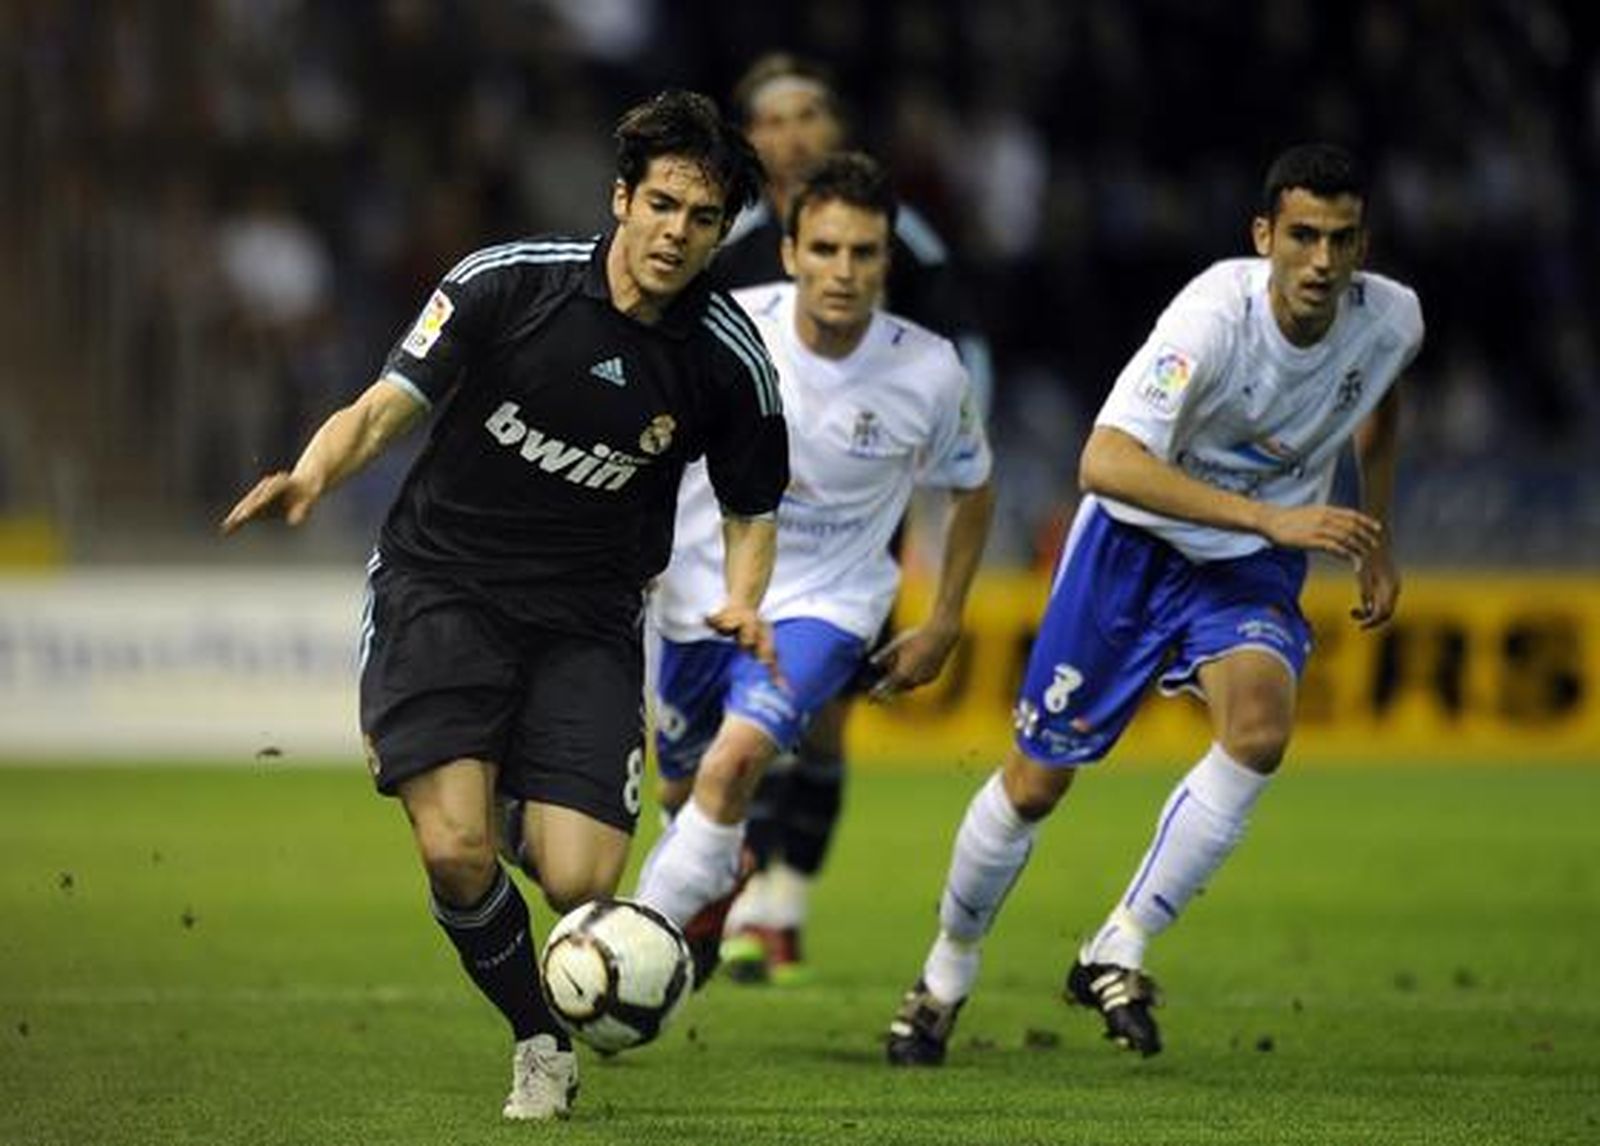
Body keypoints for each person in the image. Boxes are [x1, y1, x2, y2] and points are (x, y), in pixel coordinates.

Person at [220, 90, 786, 1121]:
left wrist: (746, 603)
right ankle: (539, 1037)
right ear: (620, 198)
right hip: (443, 588)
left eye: (702, 221)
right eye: (661, 204)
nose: (675, 233)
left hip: (588, 616)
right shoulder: (506, 283)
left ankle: (517, 795)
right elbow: (385, 405)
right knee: (454, 852)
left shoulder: (727, 360)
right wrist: (309, 476)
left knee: (582, 881)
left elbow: (753, 511)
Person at [884, 142, 1423, 1065]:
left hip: (1246, 565)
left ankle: (1119, 943)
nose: (1322, 262)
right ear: (1265, 237)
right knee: (1036, 782)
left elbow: (1378, 402)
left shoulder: (1392, 319)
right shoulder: (1213, 318)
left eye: (1340, 240)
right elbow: (1105, 461)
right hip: (1131, 548)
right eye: (1302, 236)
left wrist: (1375, 535)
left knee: (1259, 730)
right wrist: (1272, 515)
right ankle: (945, 973)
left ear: (1362, 244)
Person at [633, 152, 995, 984]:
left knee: (734, 765)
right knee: (683, 795)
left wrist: (942, 619)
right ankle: (714, 883)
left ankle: (636, 949)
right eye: (825, 250)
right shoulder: (720, 330)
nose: (843, 271)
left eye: (864, 253)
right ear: (791, 254)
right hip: (700, 592)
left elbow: (972, 487)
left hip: (828, 604)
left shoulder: (930, 370)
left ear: (886, 263)